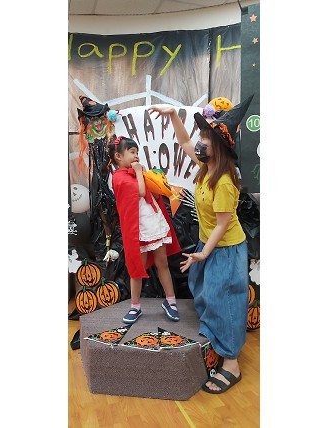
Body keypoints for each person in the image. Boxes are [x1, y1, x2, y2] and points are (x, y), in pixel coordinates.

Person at [148, 95, 253, 394]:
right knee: (202, 291)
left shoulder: (224, 181)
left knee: (225, 301)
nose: (200, 142)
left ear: (220, 146)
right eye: (202, 135)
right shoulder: (206, 169)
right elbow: (184, 142)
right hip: (208, 245)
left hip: (225, 249)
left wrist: (203, 253)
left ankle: (231, 362)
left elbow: (223, 224)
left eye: (207, 138)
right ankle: (216, 337)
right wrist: (173, 115)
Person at [108, 136, 182, 324]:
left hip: (153, 223)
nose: (136, 156)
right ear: (118, 156)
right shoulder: (119, 177)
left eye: (137, 153)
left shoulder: (137, 173)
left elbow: (152, 194)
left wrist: (156, 182)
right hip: (137, 230)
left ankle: (171, 301)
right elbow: (140, 191)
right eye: (132, 152)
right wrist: (140, 173)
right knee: (136, 269)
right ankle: (135, 306)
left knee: (162, 263)